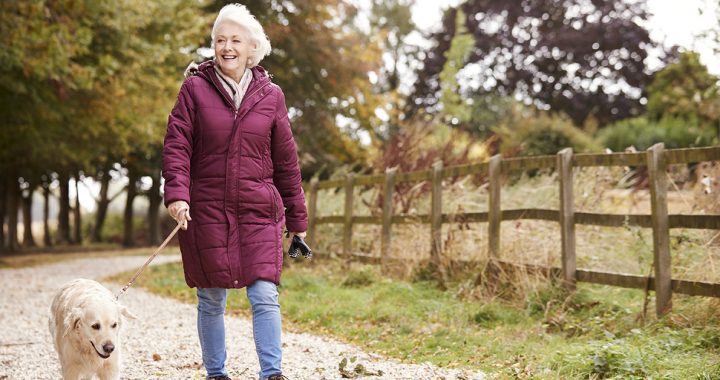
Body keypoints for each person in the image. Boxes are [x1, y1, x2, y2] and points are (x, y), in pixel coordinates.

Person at [162, 4, 307, 380]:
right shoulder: (194, 88)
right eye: (219, 40)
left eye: (235, 40)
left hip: (258, 209)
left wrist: (298, 219)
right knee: (211, 298)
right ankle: (216, 374)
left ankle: (272, 373)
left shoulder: (271, 95)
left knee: (264, 294)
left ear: (252, 47)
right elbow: (176, 145)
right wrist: (178, 194)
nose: (227, 47)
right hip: (207, 208)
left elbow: (287, 162)